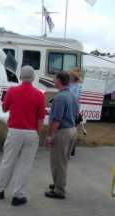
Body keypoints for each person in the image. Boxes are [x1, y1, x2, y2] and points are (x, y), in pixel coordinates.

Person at [0, 66, 46, 206]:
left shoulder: (12, 91)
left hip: (14, 130)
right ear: (33, 78)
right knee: (25, 165)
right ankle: (18, 195)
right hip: (31, 132)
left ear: (20, 77)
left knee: (8, 161)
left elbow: (4, 108)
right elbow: (40, 118)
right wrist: (38, 133)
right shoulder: (39, 94)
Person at [44, 71, 79, 199]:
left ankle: (59, 190)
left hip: (63, 132)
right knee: (63, 160)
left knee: (58, 161)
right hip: (72, 130)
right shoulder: (71, 95)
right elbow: (76, 113)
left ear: (59, 81)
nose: (54, 80)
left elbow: (56, 120)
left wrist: (49, 136)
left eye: (55, 78)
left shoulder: (60, 97)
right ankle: (58, 183)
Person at [69, 68, 82, 157]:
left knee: (72, 130)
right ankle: (68, 149)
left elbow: (77, 98)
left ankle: (71, 150)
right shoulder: (69, 85)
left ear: (75, 77)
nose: (70, 76)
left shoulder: (78, 86)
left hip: (74, 110)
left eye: (72, 75)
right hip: (68, 109)